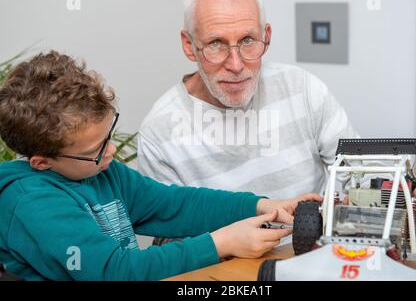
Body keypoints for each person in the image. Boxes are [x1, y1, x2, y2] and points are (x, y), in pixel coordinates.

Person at [0, 51, 321, 281]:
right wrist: (221, 242)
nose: (112, 151)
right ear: (42, 162)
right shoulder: (30, 203)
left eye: (108, 136)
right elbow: (114, 271)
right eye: (95, 149)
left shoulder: (98, 170)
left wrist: (261, 205)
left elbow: (173, 204)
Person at [138, 0, 358, 200]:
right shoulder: (159, 132)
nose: (236, 65)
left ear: (267, 36)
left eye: (247, 40)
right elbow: (172, 231)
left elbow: (363, 175)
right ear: (189, 45)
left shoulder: (304, 90)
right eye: (216, 43)